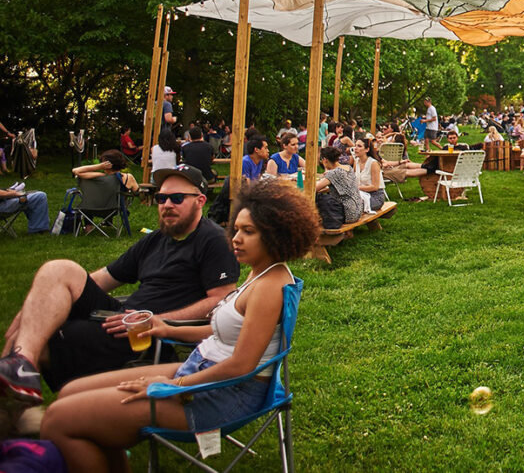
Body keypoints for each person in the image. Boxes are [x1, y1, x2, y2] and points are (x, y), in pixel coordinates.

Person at [38, 178, 319, 472]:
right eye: (236, 229)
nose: (235, 238)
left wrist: (170, 386)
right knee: (70, 392)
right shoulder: (260, 273)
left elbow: (241, 365)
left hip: (223, 395)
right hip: (202, 370)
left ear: (277, 235)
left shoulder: (269, 287)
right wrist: (166, 329)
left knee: (58, 421)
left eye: (248, 232)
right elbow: (222, 332)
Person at [0, 166, 240, 427]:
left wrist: (156, 322)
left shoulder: (213, 240)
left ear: (200, 201)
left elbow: (221, 300)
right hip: (120, 320)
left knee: (37, 334)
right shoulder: (157, 239)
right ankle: (20, 378)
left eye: (177, 198)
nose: (167, 205)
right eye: (161, 198)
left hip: (148, 341)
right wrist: (34, 308)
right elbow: (102, 279)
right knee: (52, 283)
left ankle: (17, 412)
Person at [315, 146, 365, 227]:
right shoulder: (348, 167)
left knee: (317, 197)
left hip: (348, 214)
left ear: (325, 160)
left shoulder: (334, 173)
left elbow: (314, 188)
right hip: (358, 209)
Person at [72, 150, 140, 198]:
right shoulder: (128, 177)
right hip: (116, 208)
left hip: (95, 207)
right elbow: (137, 192)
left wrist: (99, 166)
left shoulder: (100, 176)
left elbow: (76, 171)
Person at [353, 139, 387, 211]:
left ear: (367, 149)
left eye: (359, 146)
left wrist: (356, 188)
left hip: (375, 196)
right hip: (361, 194)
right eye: (355, 145)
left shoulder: (373, 163)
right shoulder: (356, 162)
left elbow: (375, 187)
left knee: (352, 206)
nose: (355, 148)